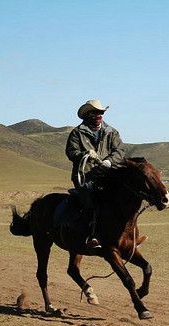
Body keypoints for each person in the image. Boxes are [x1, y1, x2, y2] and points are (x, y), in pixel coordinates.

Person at [65, 99, 125, 249]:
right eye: (95, 112)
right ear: (87, 115)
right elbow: (71, 152)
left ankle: (128, 235)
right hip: (85, 175)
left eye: (101, 112)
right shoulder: (77, 133)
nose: (99, 115)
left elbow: (120, 151)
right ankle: (92, 235)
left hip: (108, 174)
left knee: (124, 198)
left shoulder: (112, 132)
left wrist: (110, 161)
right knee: (90, 200)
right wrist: (85, 154)